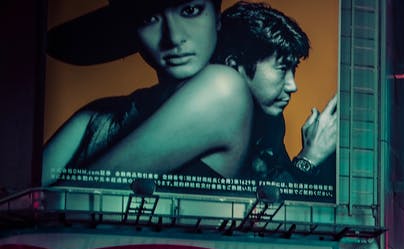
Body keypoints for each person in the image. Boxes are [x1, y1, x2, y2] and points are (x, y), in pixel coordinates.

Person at [42, 0, 253, 185]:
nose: (174, 37)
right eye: (149, 18)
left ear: (217, 18)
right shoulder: (98, 115)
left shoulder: (223, 88)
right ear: (131, 30)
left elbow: (72, 197)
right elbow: (24, 197)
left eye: (190, 10)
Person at [215, 2, 338, 185]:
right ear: (234, 66)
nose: (292, 86)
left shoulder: (270, 122)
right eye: (282, 68)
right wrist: (309, 158)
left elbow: (280, 198)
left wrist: (319, 147)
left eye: (293, 69)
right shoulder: (209, 124)